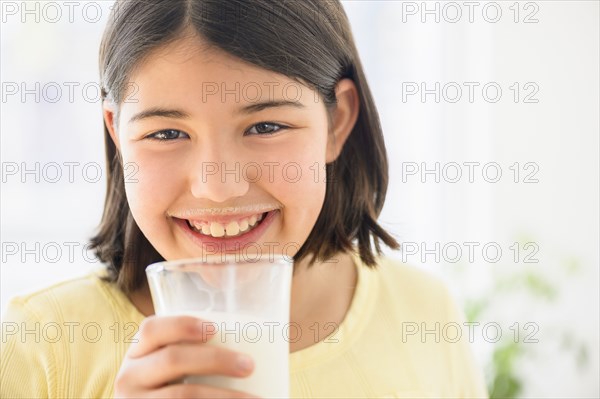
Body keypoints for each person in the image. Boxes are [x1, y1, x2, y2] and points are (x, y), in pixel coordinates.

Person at [0, 0, 489, 398]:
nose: (217, 187)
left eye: (266, 126)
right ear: (118, 135)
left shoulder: (424, 312)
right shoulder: (42, 345)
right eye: (167, 132)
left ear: (337, 122)